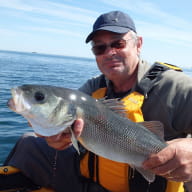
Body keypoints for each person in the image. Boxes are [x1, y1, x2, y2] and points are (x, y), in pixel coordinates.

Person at [3, 10, 192, 192]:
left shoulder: (176, 86)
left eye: (118, 44)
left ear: (138, 44)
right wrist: (53, 135)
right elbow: (59, 127)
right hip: (93, 183)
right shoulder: (91, 89)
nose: (109, 52)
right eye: (100, 47)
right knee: (29, 143)